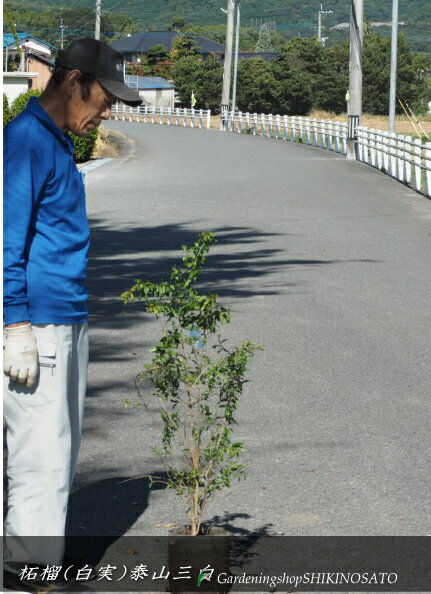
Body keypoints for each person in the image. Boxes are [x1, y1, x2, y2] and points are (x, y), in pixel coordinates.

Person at [3, 37, 142, 591]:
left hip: (62, 316)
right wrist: (14, 326)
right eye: (105, 97)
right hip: (35, 322)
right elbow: (4, 240)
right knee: (43, 453)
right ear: (71, 82)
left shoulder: (55, 140)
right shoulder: (26, 143)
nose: (108, 110)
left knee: (56, 448)